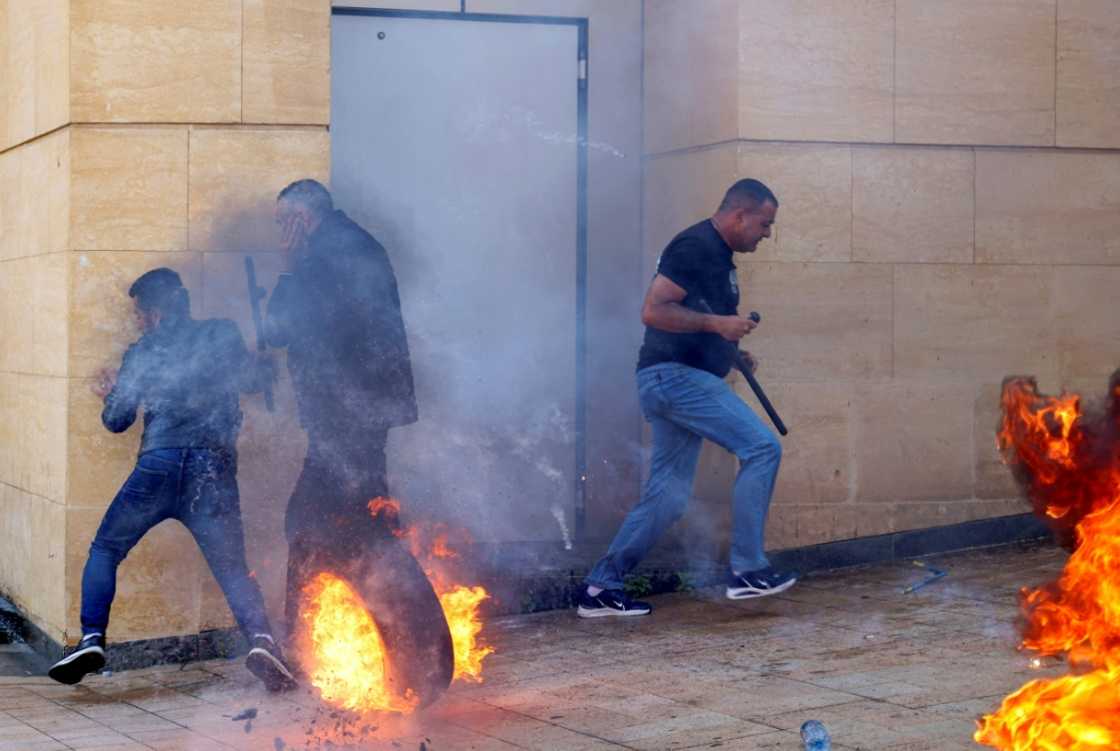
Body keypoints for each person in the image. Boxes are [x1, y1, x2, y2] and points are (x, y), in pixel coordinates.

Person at [48, 268, 296, 690]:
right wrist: (262, 364)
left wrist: (112, 391)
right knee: (232, 567)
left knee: (106, 549)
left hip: (157, 467)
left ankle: (91, 639)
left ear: (157, 311)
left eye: (141, 313)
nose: (139, 321)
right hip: (211, 471)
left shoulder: (143, 351)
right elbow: (253, 382)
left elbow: (116, 420)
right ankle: (262, 640)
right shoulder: (222, 333)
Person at [577, 178, 796, 618]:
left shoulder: (718, 254)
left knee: (668, 497)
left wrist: (729, 350)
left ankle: (601, 589)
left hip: (674, 379)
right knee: (761, 447)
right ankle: (749, 570)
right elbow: (653, 311)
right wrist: (717, 326)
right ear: (740, 215)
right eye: (765, 224)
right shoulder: (695, 246)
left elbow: (695, 318)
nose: (767, 234)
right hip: (675, 379)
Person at [264, 179, 418, 635]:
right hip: (363, 412)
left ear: (301, 218)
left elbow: (277, 329)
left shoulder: (318, 257)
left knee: (310, 520)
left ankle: (299, 638)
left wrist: (288, 267)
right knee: (363, 515)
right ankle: (391, 629)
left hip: (343, 416)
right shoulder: (357, 244)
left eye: (281, 224)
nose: (279, 235)